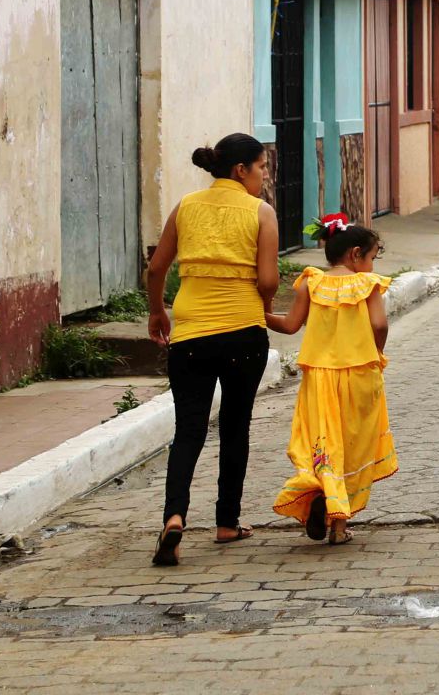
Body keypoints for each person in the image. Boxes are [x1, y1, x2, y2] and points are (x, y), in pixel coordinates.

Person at [146, 133, 281, 567]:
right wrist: (262, 308)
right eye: (262, 167)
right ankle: (227, 523)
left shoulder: (185, 206)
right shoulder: (261, 213)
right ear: (241, 170)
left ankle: (174, 517)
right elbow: (267, 282)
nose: (265, 176)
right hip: (243, 333)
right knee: (235, 427)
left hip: (189, 335)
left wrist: (157, 313)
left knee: (188, 431)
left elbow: (155, 268)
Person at [267, 222, 395, 546]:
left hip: (319, 377)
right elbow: (379, 324)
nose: (372, 265)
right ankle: (339, 525)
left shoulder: (311, 282)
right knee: (352, 445)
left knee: (324, 442)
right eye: (372, 257)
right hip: (359, 374)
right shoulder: (367, 284)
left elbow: (290, 324)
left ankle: (320, 492)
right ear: (355, 255)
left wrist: (259, 312)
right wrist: (376, 351)